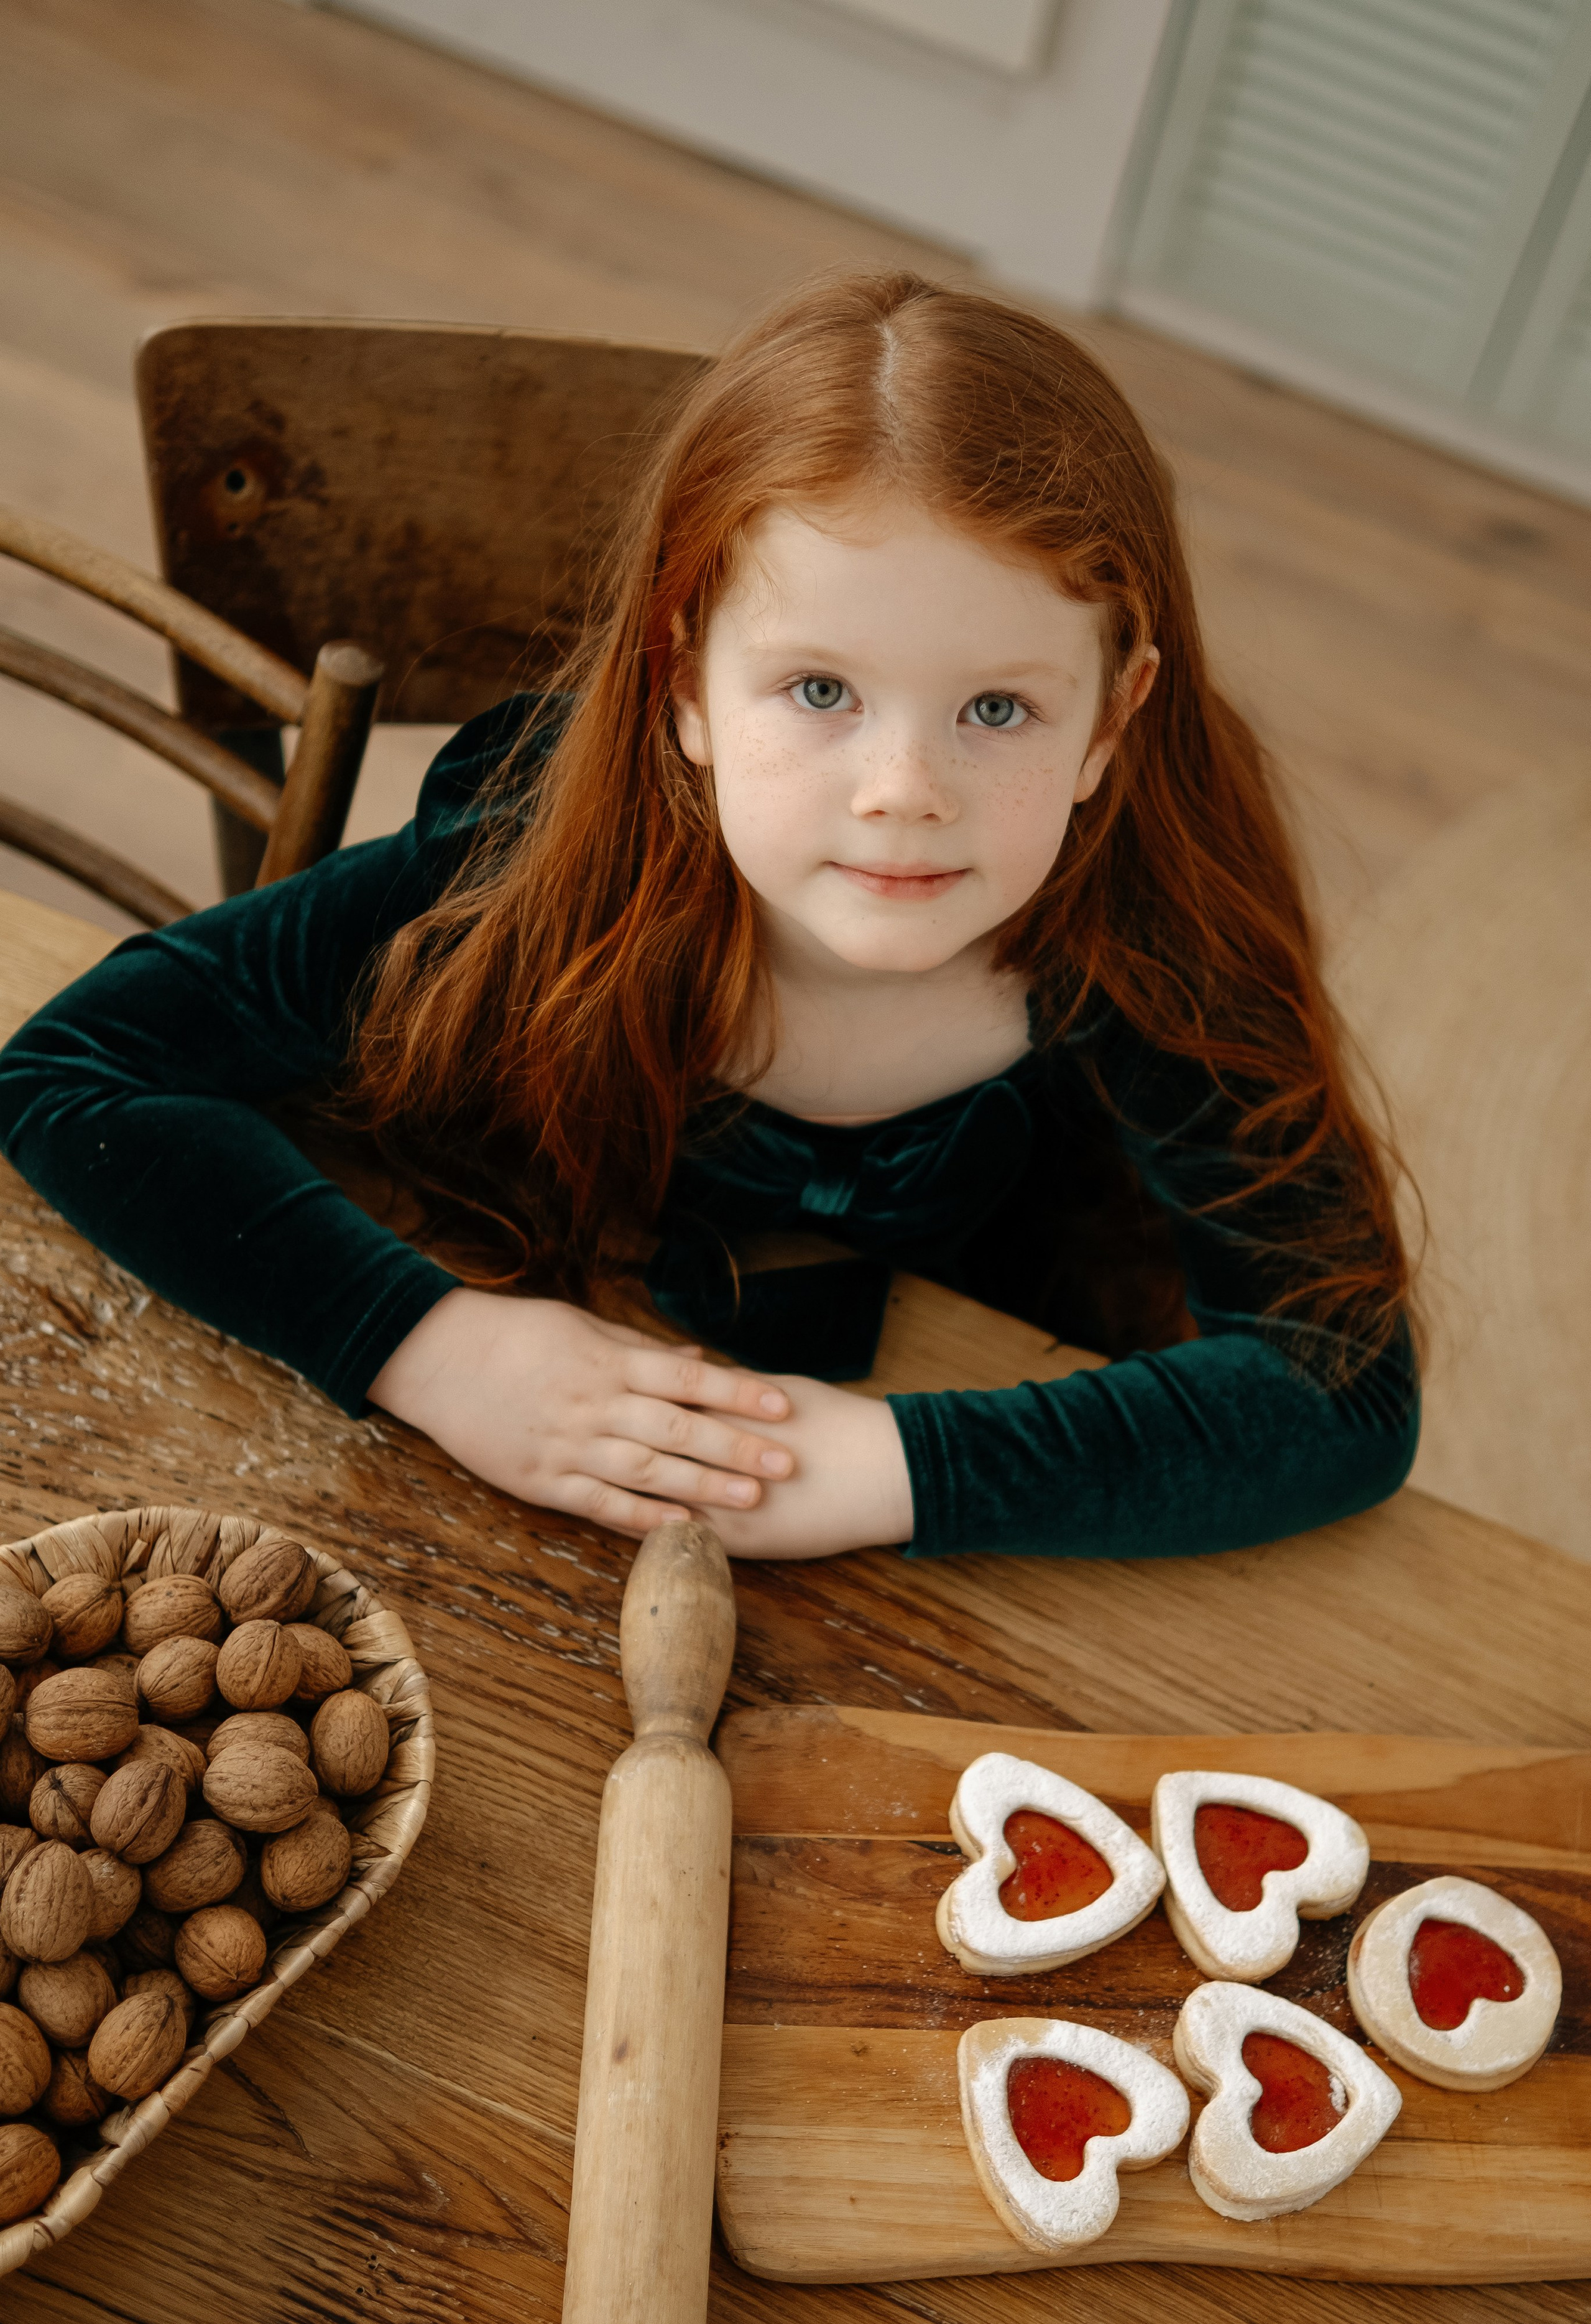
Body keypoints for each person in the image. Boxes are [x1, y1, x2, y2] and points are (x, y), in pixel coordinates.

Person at [0, 272, 1418, 1563]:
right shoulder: (538, 847)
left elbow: (1341, 1380)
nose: (901, 794)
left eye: (997, 709)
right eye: (818, 692)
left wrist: (898, 1467)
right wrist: (428, 1348)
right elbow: (74, 1072)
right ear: (682, 687)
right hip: (521, 1281)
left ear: (1110, 723)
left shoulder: (1154, 935)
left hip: (966, 1376)